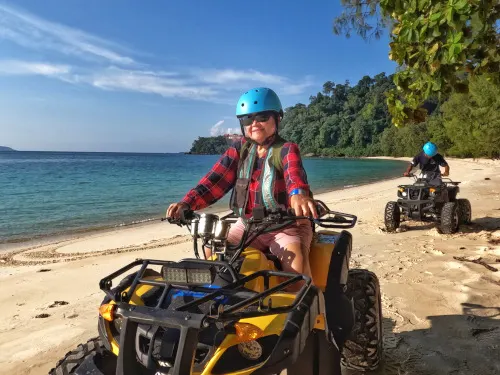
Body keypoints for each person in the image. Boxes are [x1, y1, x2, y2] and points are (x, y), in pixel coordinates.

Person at [167, 87, 317, 281]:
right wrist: (187, 203)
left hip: (286, 226)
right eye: (247, 119)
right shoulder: (239, 150)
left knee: (297, 276)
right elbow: (214, 182)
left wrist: (298, 194)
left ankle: (316, 309)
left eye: (262, 117)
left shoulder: (286, 149)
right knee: (212, 254)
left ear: (277, 118)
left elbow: (293, 174)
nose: (254, 123)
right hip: (247, 224)